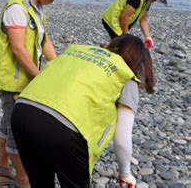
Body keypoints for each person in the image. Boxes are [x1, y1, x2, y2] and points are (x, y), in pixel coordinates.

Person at [11, 34, 154, 187]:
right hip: (64, 128)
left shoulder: (78, 52)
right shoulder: (126, 76)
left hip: (22, 110)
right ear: (140, 62)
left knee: (40, 181)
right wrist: (125, 173)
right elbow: (122, 138)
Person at [0, 0, 76, 187]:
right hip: (13, 82)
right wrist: (40, 78)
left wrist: (57, 67)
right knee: (18, 130)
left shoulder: (36, 7)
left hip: (23, 79)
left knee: (7, 123)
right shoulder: (17, 8)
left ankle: (1, 170)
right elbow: (18, 49)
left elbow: (44, 41)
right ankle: (24, 179)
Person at [101, 0, 168, 49]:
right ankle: (108, 50)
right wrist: (126, 35)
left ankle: (107, 47)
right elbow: (124, 17)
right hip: (112, 20)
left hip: (121, 21)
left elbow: (143, 20)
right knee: (122, 45)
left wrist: (148, 37)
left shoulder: (147, 2)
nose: (155, 1)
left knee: (119, 43)